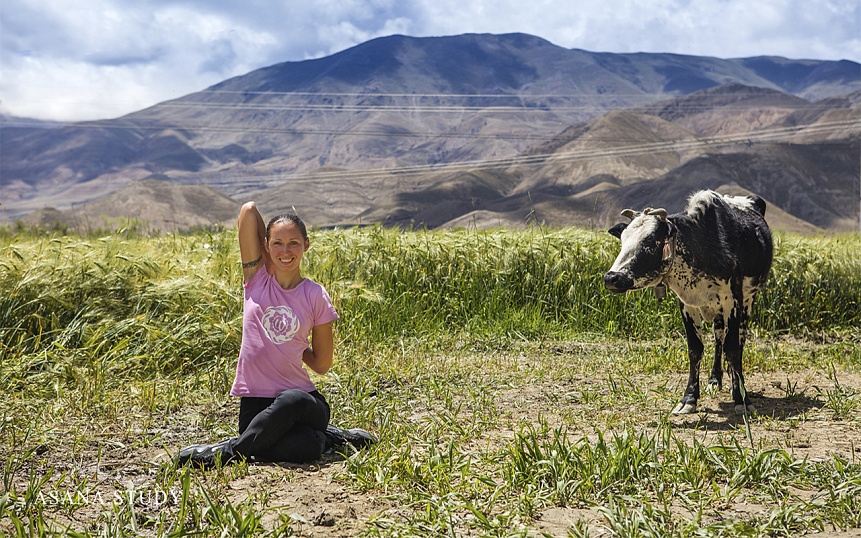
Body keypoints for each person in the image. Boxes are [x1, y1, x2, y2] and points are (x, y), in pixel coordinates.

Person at [176, 202, 375, 469]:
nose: (286, 251)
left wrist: (292, 343)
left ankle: (225, 452)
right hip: (256, 406)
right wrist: (266, 259)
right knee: (307, 445)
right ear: (266, 246)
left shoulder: (316, 295)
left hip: (305, 403)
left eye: (294, 243)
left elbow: (322, 365)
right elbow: (248, 211)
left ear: (306, 245)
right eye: (277, 243)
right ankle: (329, 438)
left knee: (292, 400)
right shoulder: (256, 279)